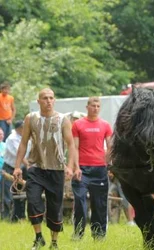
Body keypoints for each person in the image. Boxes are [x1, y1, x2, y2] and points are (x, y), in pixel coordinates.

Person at [13, 88, 78, 250]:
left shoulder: (63, 119)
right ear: (39, 101)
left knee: (55, 206)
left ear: (54, 100)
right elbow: (23, 143)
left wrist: (70, 166)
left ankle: (54, 242)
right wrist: (17, 167)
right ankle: (38, 237)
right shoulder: (31, 118)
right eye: (45, 98)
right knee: (33, 201)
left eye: (51, 98)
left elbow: (71, 144)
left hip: (56, 169)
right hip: (36, 167)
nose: (48, 101)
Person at [71, 97, 113, 240]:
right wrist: (75, 167)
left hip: (100, 169)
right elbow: (74, 148)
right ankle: (78, 233)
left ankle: (99, 235)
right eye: (93, 105)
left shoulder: (105, 125)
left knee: (99, 204)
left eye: (98, 106)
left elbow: (110, 146)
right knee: (80, 203)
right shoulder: (77, 124)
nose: (95, 108)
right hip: (82, 169)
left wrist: (108, 164)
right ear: (87, 107)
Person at [1, 120, 28, 222]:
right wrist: (28, 165)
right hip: (9, 168)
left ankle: (19, 217)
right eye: (23, 127)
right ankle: (6, 218)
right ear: (18, 129)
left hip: (21, 169)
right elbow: (19, 153)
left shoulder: (26, 138)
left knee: (20, 193)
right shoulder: (12, 138)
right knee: (8, 194)